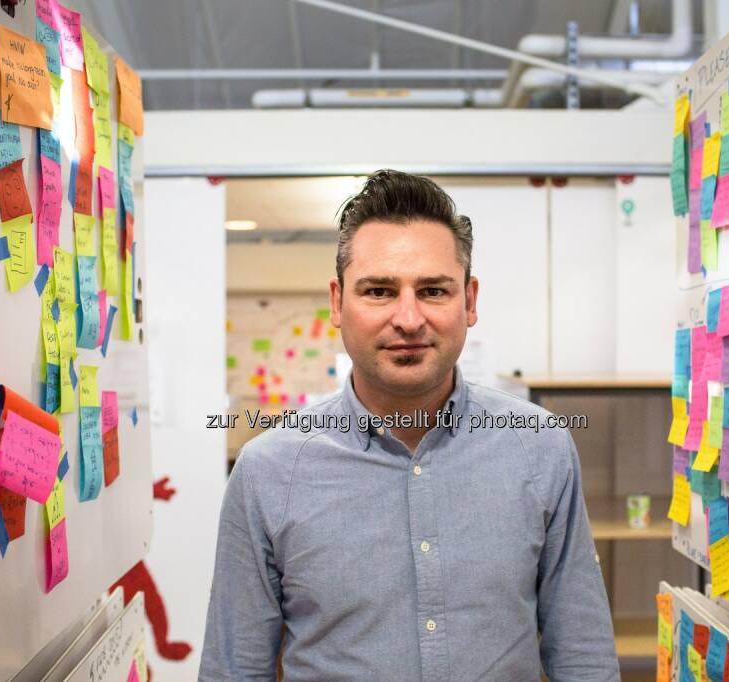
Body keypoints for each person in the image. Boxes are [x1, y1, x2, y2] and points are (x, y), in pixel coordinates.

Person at [200, 170, 619, 681]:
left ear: (469, 301)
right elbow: (235, 670)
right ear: (337, 302)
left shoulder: (540, 447)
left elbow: (582, 654)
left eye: (433, 291)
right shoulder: (268, 472)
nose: (408, 318)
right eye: (378, 290)